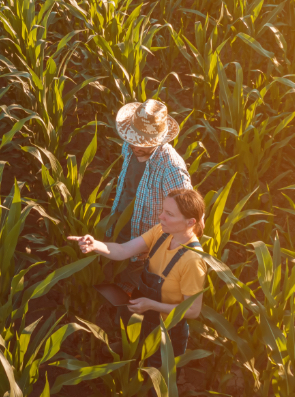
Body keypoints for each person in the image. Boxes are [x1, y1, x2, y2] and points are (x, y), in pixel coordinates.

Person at [69, 189, 207, 369]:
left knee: (156, 380)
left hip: (166, 333)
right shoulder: (161, 232)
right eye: (163, 210)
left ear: (190, 222)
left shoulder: (192, 260)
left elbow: (192, 311)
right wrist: (95, 244)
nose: (161, 217)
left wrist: (151, 305)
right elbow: (123, 250)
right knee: (137, 367)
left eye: (169, 214)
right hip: (143, 319)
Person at [108, 99, 192, 293]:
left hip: (143, 251)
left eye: (143, 142)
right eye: (134, 138)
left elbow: (188, 215)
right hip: (119, 231)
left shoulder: (171, 168)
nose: (135, 145)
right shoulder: (129, 147)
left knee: (129, 294)